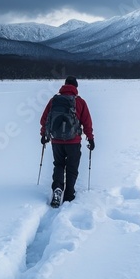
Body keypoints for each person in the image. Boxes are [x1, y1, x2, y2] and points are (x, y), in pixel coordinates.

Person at [40, 76, 94, 206]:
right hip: (73, 142)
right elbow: (87, 123)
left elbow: (44, 120)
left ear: (64, 86)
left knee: (58, 164)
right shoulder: (80, 102)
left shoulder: (54, 100)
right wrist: (90, 138)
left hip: (56, 141)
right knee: (72, 167)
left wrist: (44, 135)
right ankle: (69, 194)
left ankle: (57, 188)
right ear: (75, 87)